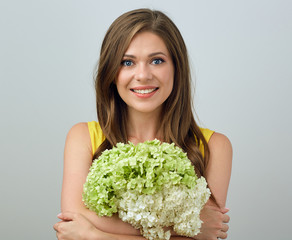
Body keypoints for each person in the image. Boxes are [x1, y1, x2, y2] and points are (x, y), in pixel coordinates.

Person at [53, 8, 232, 240]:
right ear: (111, 72)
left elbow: (205, 235)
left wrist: (95, 235)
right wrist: (182, 226)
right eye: (127, 62)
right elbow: (73, 218)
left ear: (177, 68)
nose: (143, 75)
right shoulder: (83, 137)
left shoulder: (214, 146)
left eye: (157, 61)